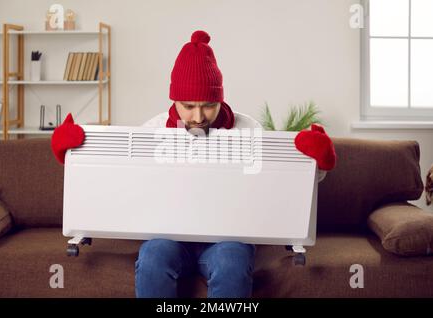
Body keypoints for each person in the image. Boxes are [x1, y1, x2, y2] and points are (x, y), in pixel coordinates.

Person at [51, 30, 336, 298]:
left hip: (229, 239)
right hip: (167, 237)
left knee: (231, 265)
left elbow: (286, 183)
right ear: (174, 100)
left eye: (208, 105)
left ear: (220, 99)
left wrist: (318, 161)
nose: (198, 116)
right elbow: (113, 180)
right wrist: (74, 155)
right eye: (188, 106)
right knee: (152, 260)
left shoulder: (249, 129)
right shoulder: (153, 130)